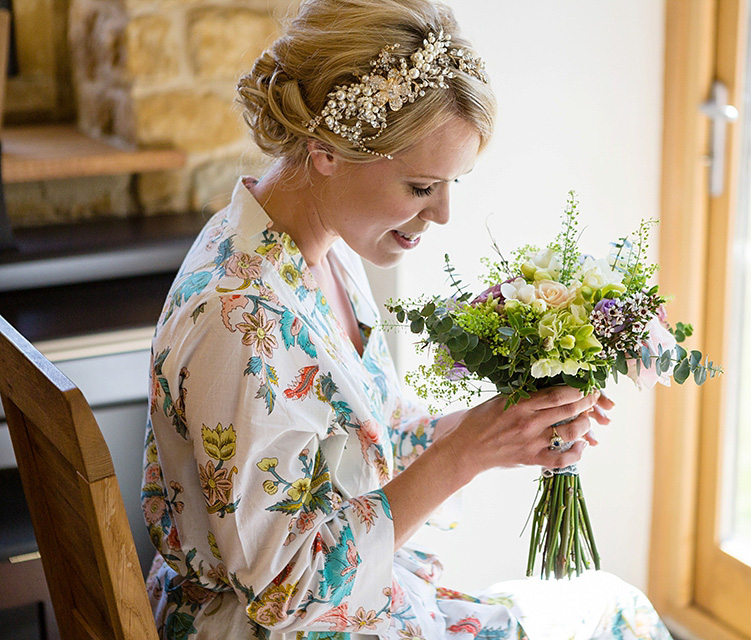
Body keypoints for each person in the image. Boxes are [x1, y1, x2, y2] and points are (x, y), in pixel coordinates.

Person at [141, 1, 672, 638]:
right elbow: (287, 588)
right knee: (619, 617)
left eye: (453, 184)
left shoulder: (314, 252)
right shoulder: (238, 318)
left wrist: (502, 429)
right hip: (280, 627)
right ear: (327, 151)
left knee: (616, 609)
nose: (443, 213)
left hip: (360, 604)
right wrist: (464, 455)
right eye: (422, 188)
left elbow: (365, 449)